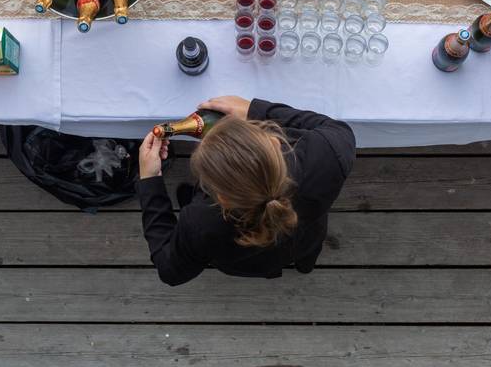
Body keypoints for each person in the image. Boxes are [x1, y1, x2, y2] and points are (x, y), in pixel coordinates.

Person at [137, 95, 356, 286]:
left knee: (260, 262)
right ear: (274, 142)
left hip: (249, 263)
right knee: (306, 250)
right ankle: (305, 266)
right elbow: (338, 129)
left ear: (221, 197)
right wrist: (256, 110)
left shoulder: (199, 221)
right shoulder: (326, 154)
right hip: (307, 236)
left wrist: (150, 181)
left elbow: (170, 271)